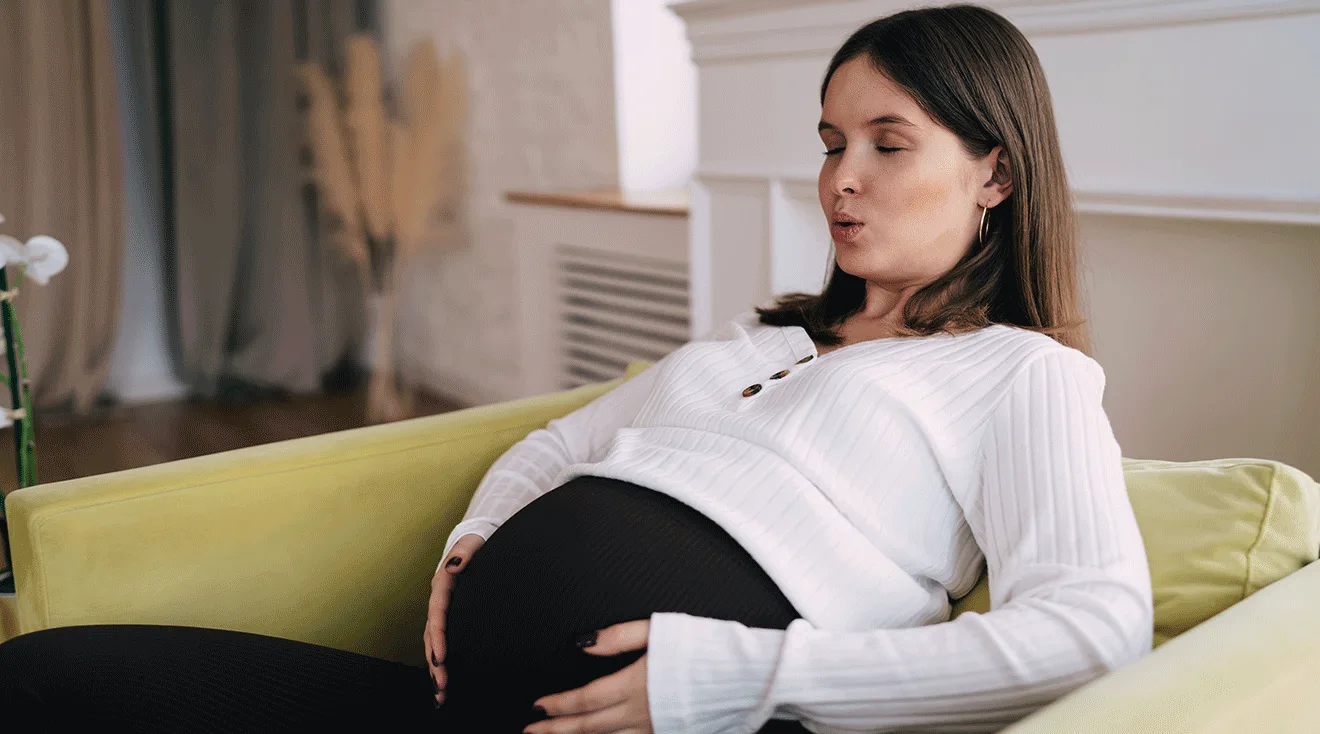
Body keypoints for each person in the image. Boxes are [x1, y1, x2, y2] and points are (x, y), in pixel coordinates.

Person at [0, 4, 1153, 732]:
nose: (840, 177)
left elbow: (1095, 625)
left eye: (887, 144)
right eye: (829, 141)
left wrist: (740, 676)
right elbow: (556, 446)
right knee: (42, 678)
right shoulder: (750, 347)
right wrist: (475, 539)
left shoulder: (1020, 374)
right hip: (453, 706)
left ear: (995, 174)